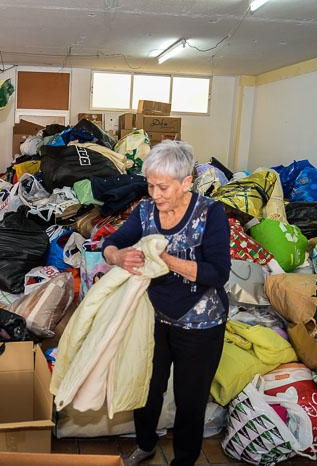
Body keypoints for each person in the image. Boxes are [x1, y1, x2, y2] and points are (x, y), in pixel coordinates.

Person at [101, 140, 231, 466]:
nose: (155, 194)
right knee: (146, 386)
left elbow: (218, 273)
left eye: (163, 187)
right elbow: (112, 242)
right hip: (153, 317)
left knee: (190, 400)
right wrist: (117, 256)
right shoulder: (145, 210)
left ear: (186, 182)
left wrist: (166, 260)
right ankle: (145, 444)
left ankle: (184, 460)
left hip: (200, 324)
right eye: (150, 185)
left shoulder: (210, 213)